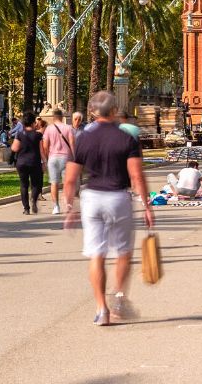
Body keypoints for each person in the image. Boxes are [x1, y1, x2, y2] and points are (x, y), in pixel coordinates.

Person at [63, 91, 153, 326]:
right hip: (118, 198)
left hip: (91, 198)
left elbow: (71, 177)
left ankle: (101, 308)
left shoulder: (83, 138)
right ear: (114, 111)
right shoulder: (126, 138)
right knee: (123, 252)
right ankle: (120, 298)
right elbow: (136, 176)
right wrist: (147, 205)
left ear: (92, 112)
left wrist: (69, 206)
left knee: (96, 254)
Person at [42, 109, 76, 214]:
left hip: (53, 158)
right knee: (67, 183)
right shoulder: (68, 128)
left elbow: (45, 145)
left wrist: (47, 157)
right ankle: (68, 205)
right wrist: (75, 157)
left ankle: (56, 206)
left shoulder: (49, 129)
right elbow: (72, 144)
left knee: (54, 183)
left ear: (53, 117)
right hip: (66, 157)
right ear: (62, 117)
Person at [11, 114, 44, 215]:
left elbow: (14, 148)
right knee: (35, 184)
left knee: (24, 185)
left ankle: (26, 208)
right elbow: (42, 150)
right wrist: (44, 162)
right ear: (33, 123)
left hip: (22, 163)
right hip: (35, 162)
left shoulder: (20, 134)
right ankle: (33, 199)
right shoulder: (38, 135)